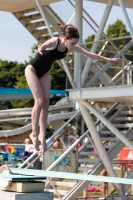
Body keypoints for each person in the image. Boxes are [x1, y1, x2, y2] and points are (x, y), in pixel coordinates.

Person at [25, 22, 122, 153]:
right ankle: (34, 134)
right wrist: (41, 47)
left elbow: (91, 55)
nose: (74, 46)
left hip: (45, 72)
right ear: (65, 39)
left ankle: (42, 133)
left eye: (75, 43)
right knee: (40, 101)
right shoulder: (55, 42)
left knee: (47, 103)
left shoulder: (69, 47)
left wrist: (109, 60)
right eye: (72, 43)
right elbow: (44, 45)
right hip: (32, 70)